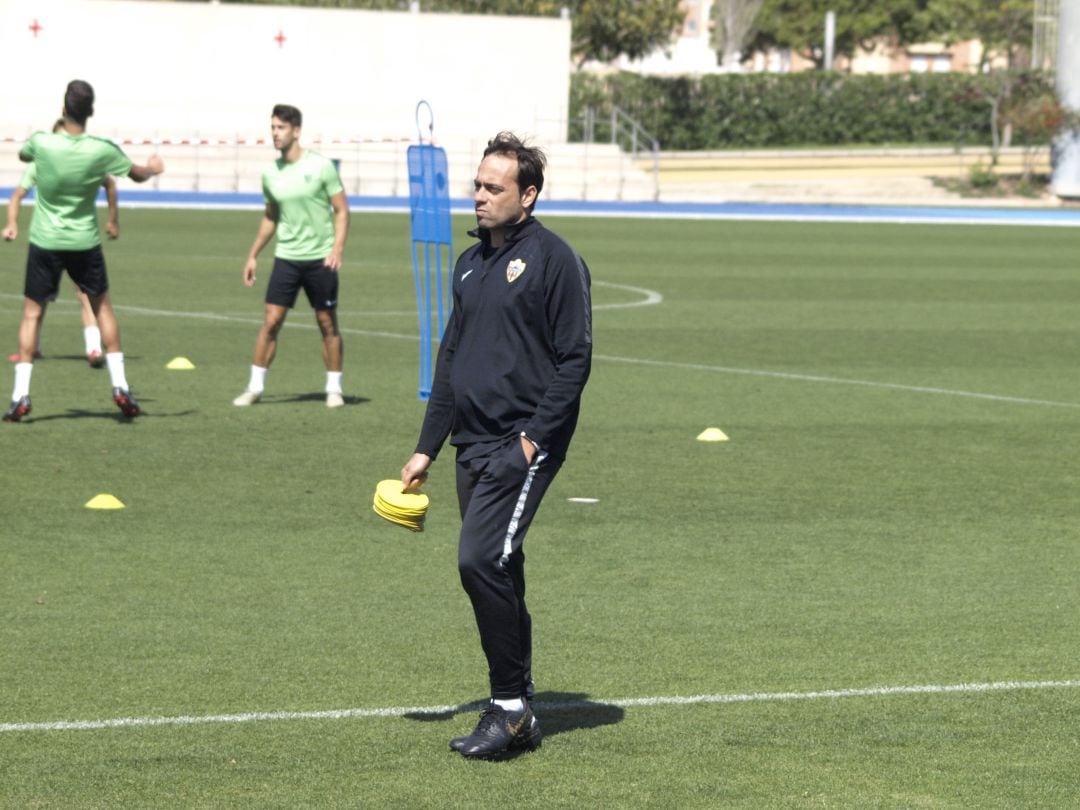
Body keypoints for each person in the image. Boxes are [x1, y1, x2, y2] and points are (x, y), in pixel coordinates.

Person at [399, 132, 592, 760]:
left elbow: (574, 359)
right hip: (470, 445)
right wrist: (428, 446)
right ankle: (522, 702)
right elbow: (451, 359)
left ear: (527, 195)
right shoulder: (468, 263)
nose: (478, 196)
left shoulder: (556, 261)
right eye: (476, 185)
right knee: (501, 565)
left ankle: (508, 709)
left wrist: (532, 443)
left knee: (478, 560)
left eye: (493, 187)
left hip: (521, 445)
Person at [3, 80, 163, 423]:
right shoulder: (101, 150)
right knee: (102, 308)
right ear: (91, 112)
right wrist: (154, 168)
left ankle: (20, 396)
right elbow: (135, 175)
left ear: (63, 108)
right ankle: (120, 386)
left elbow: (23, 154)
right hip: (84, 243)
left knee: (32, 315)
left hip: (45, 242)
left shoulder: (42, 143)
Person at [232, 104, 350, 409]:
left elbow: (341, 210)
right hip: (287, 257)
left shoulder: (321, 167)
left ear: (296, 131)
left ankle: (334, 388)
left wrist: (336, 248)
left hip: (320, 258)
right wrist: (253, 254)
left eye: (280, 128)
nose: (275, 133)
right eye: (272, 127)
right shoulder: (271, 173)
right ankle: (255, 388)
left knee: (327, 323)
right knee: (271, 322)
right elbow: (270, 216)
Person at [4, 119, 116, 368]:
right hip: (64, 241)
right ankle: (40, 348)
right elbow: (17, 197)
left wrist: (112, 219)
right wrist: (12, 223)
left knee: (73, 296)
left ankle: (93, 347)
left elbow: (109, 183)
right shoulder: (43, 165)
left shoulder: (76, 160)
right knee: (42, 301)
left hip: (60, 241)